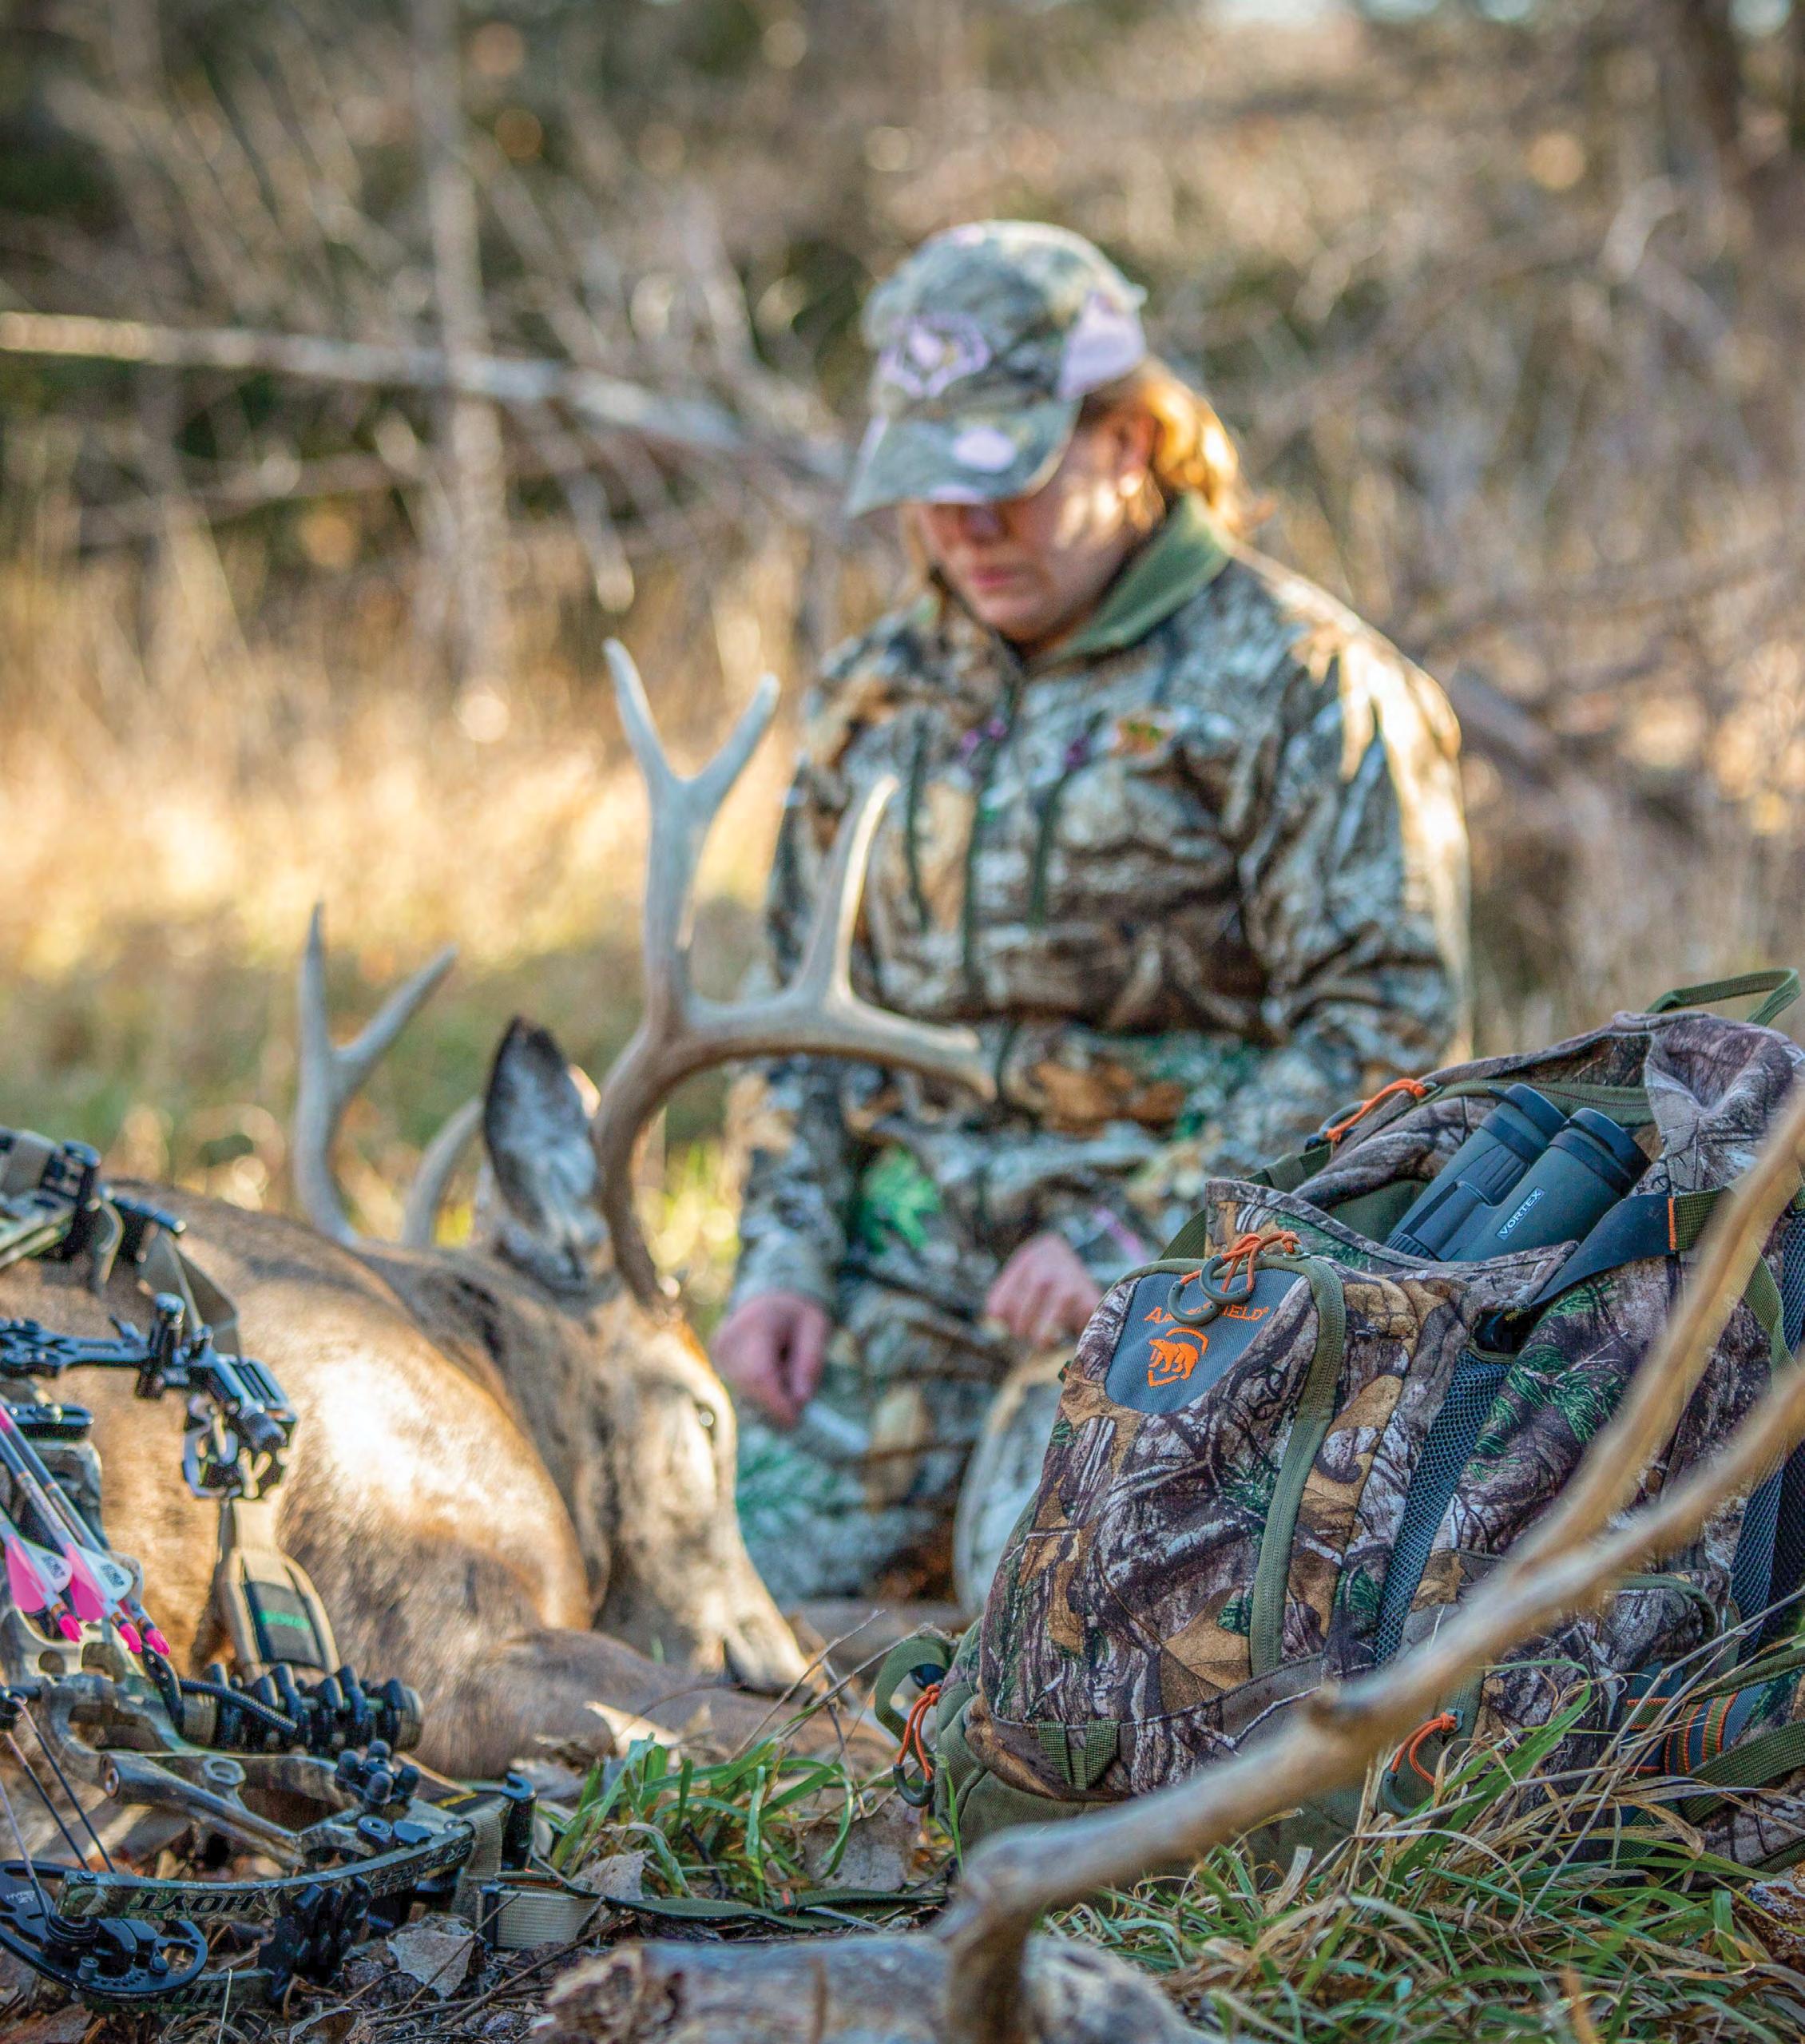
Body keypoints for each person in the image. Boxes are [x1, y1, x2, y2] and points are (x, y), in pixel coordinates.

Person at [713, 220, 1470, 1605]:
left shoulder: (1303, 681)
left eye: (1005, 477)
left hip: (1188, 1285)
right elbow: (796, 1026)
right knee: (715, 1588)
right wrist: (782, 1265)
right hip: (905, 1281)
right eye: (929, 487)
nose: (964, 529)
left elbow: (1389, 1029)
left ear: (1129, 440)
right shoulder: (876, 696)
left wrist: (1150, 1233)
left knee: (1046, 1617)